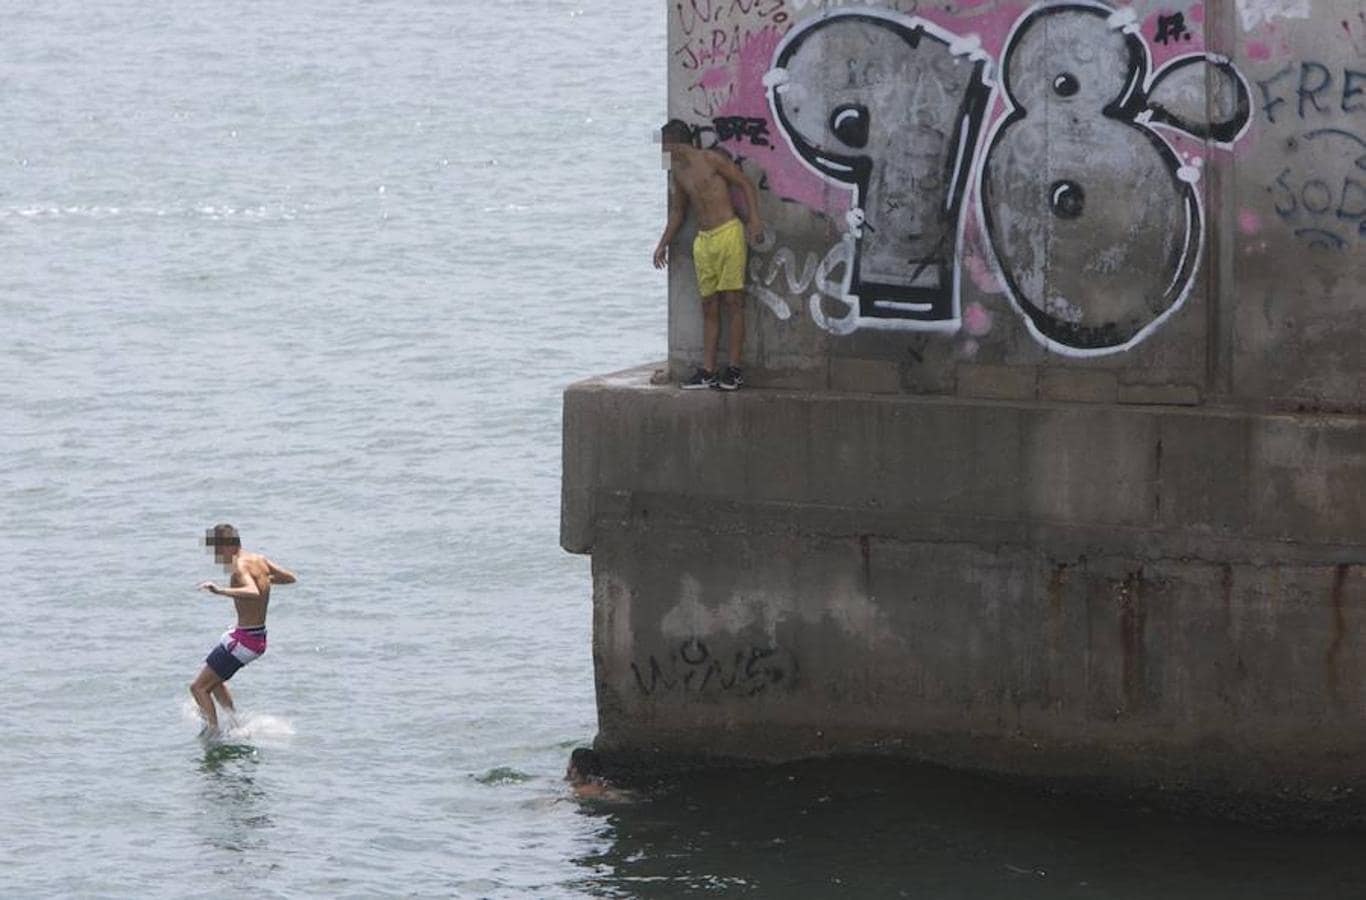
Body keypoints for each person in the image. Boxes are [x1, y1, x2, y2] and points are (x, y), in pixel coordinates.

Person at [653, 118, 763, 391]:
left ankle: (734, 370)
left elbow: (745, 184)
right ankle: (708, 370)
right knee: (709, 306)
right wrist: (663, 243)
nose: (661, 152)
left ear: (674, 144)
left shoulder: (711, 160)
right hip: (704, 242)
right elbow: (679, 211)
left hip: (728, 233)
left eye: (663, 146)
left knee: (733, 302)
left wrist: (754, 221)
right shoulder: (678, 172)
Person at [191, 524, 296, 736]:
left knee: (198, 688)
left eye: (218, 550)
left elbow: (252, 591)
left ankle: (213, 735)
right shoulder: (259, 560)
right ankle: (234, 723)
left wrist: (219, 590)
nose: (217, 556)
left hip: (245, 641)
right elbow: (290, 578)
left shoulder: (239, 567)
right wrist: (265, 579)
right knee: (214, 680)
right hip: (256, 638)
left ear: (229, 545)